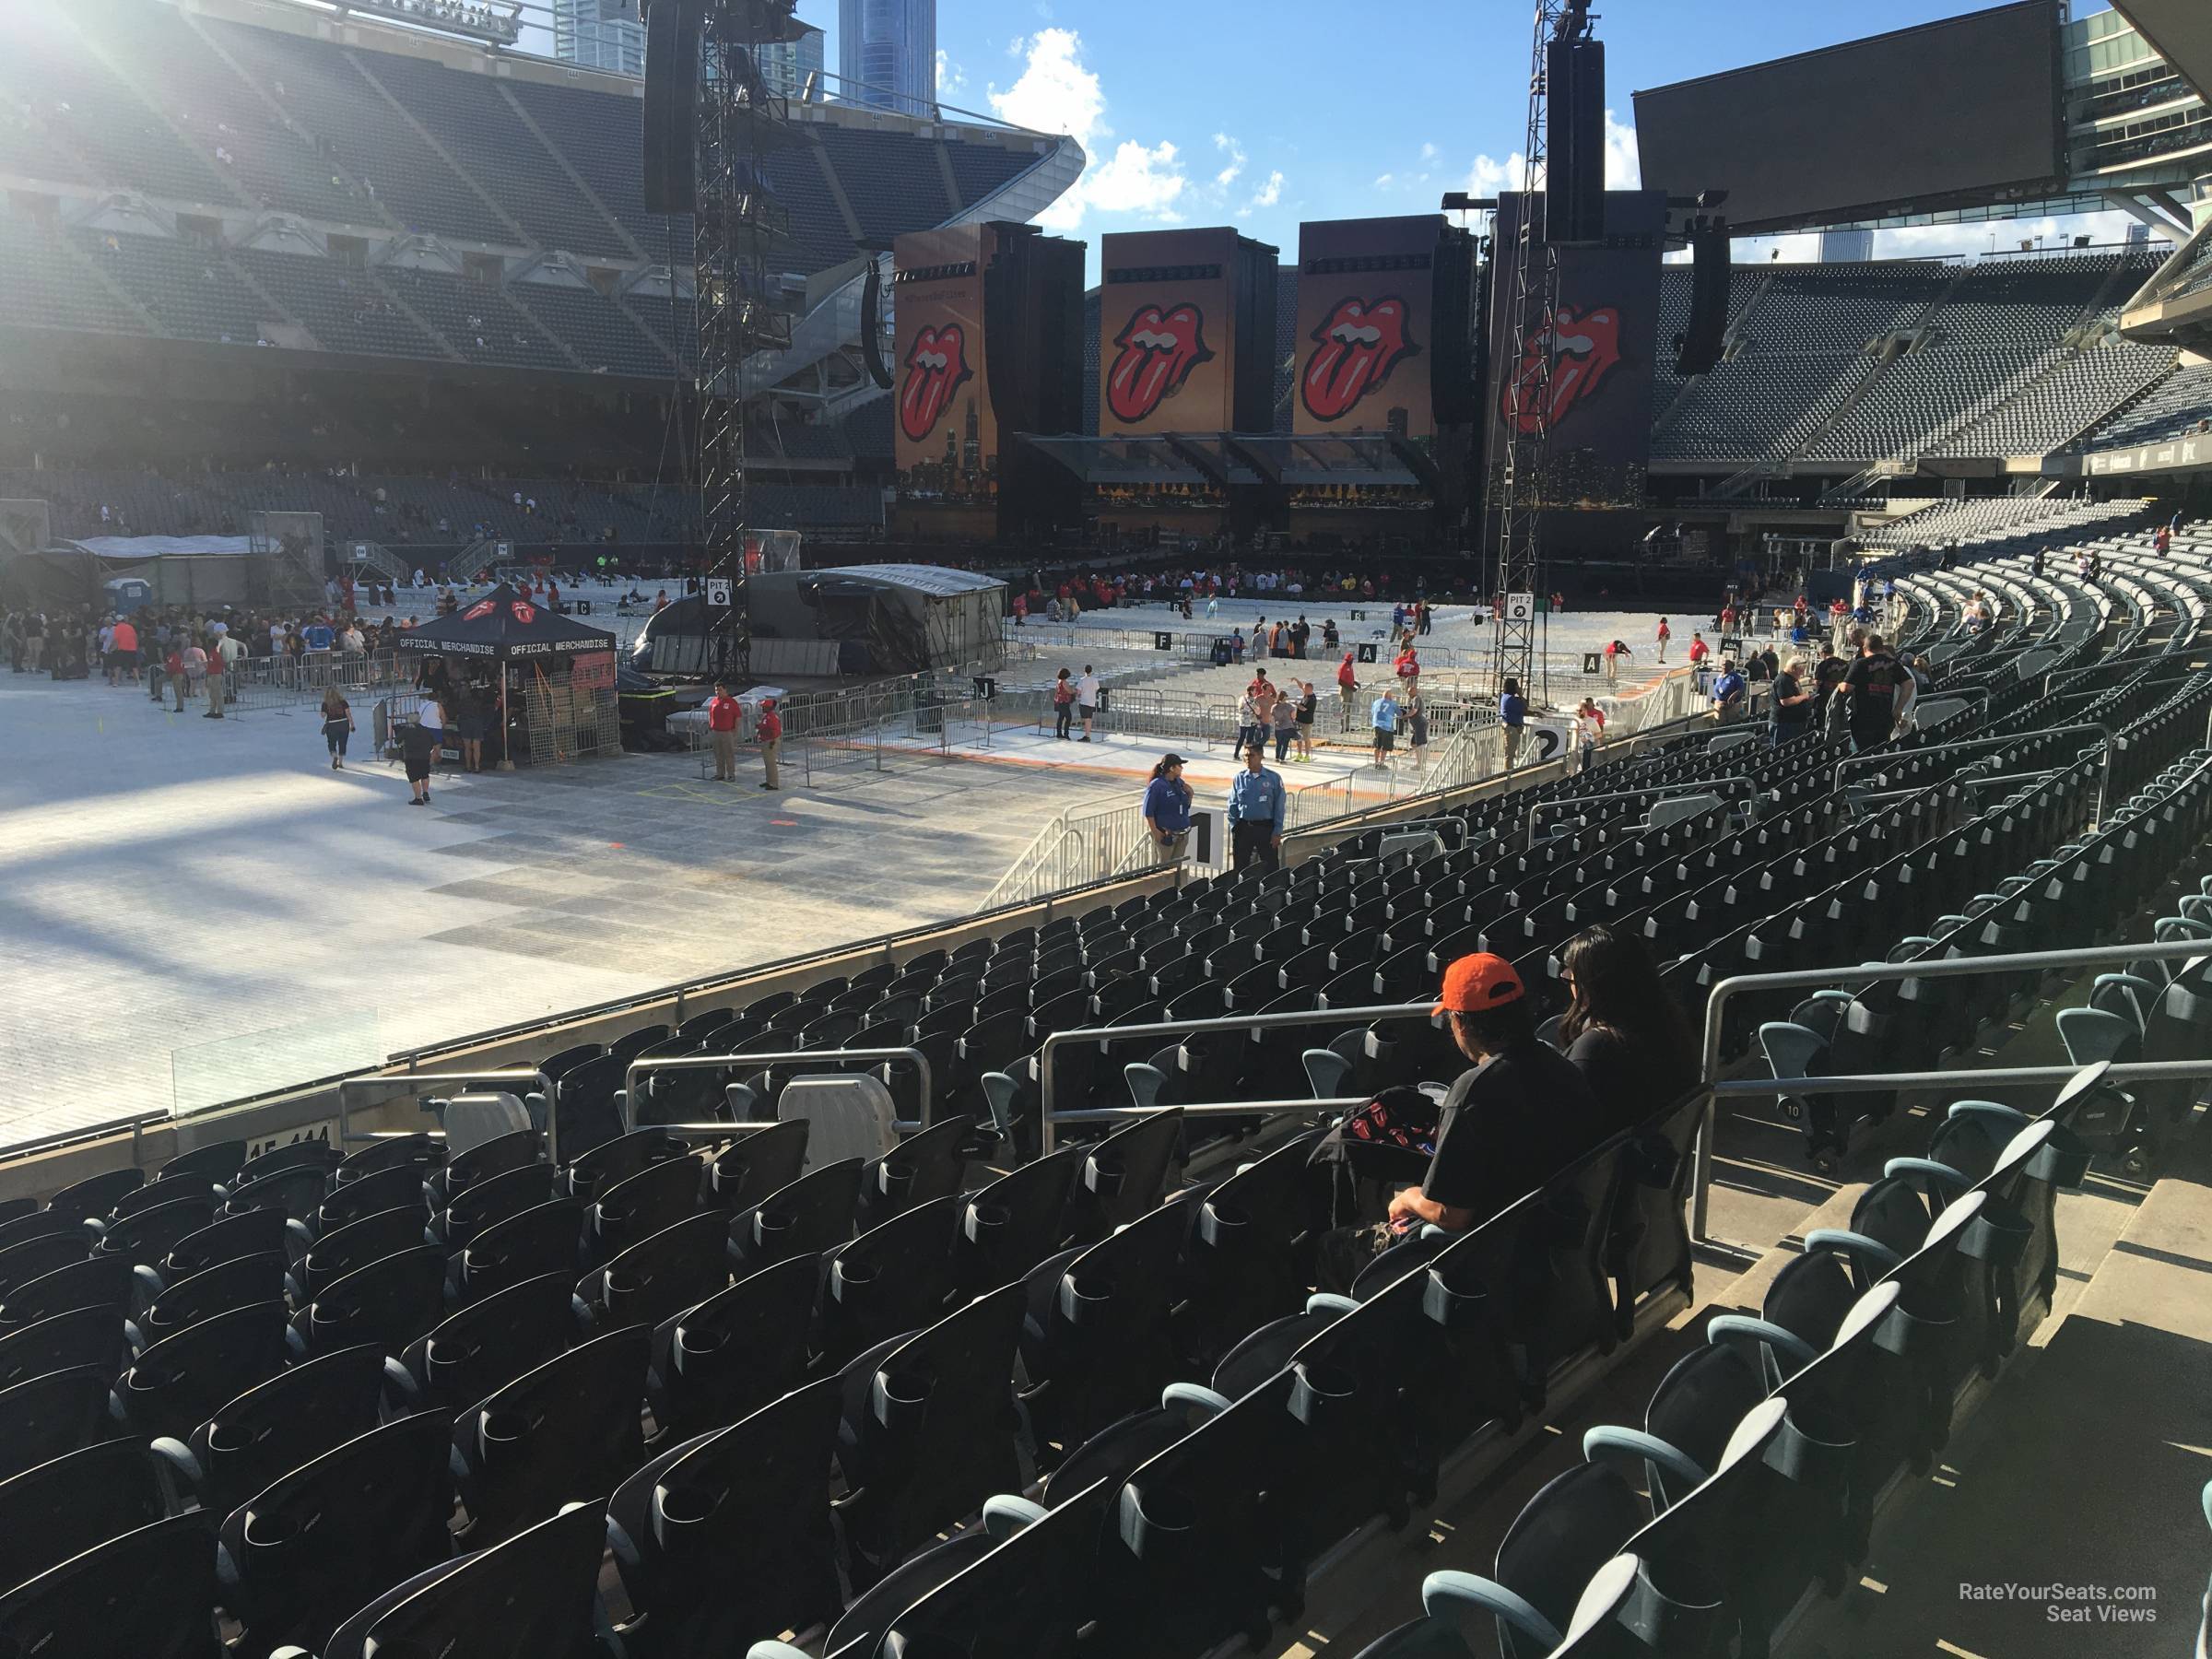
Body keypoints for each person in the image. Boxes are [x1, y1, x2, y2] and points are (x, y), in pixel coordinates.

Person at [1313, 953, 1605, 1290]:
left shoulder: (1473, 1090)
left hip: (1484, 1255)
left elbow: (1452, 1215)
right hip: (1547, 1239)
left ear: (1462, 1023)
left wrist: (1408, 1198)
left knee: (1332, 1246)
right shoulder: (1558, 1063)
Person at [1556, 926, 1698, 1136]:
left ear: (1590, 986)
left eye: (1572, 977)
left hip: (1611, 1166)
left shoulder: (1595, 1049)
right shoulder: (1669, 1029)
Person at [1841, 633, 1906, 754]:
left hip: (1862, 721)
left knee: (1861, 758)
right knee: (1879, 756)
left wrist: (1839, 685)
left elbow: (1846, 688)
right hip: (1885, 720)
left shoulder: (1860, 664)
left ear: (1865, 649)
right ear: (1882, 648)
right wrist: (1898, 708)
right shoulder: (1894, 664)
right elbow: (1909, 684)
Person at [1225, 742, 1287, 870]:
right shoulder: (1239, 778)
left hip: (1265, 828)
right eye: (1245, 755)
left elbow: (1279, 807)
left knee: (1270, 865)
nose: (1247, 759)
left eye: (1251, 755)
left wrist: (1277, 831)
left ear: (1260, 756)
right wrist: (1234, 827)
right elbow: (1233, 804)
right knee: (1240, 866)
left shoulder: (1273, 778)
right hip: (1244, 828)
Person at [1143, 753, 1194, 866]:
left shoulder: (1179, 782)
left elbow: (1185, 805)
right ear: (1171, 768)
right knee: (1164, 868)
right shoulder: (1156, 785)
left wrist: (1190, 794)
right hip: (1167, 835)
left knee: (1176, 868)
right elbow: (1148, 811)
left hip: (1182, 833)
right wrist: (1155, 831)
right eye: (1179, 765)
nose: (1182, 768)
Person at [1770, 655, 1813, 746]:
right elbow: (1786, 701)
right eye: (1801, 671)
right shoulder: (1783, 680)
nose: (1802, 674)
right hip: (1784, 723)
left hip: (1794, 722)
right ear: (1793, 668)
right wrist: (1804, 697)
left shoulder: (1792, 679)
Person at [400, 706, 438, 805]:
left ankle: (418, 798)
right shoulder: (426, 730)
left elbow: (397, 740)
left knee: (414, 777)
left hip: (411, 757)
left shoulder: (407, 730)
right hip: (424, 756)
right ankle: (425, 792)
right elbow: (433, 742)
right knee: (425, 775)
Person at [705, 681, 741, 782]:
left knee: (729, 754)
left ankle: (731, 774)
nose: (718, 692)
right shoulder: (713, 702)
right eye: (716, 690)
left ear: (725, 690)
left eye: (720, 690)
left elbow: (738, 717)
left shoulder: (731, 702)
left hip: (727, 732)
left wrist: (735, 730)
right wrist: (710, 726)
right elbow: (710, 715)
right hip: (716, 732)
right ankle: (720, 774)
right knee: (718, 754)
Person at [454, 679, 490, 774]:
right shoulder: (479, 701)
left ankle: (468, 766)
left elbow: (458, 711)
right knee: (476, 746)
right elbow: (484, 711)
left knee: (467, 747)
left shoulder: (462, 700)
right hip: (477, 723)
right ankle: (477, 767)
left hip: (466, 722)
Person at [320, 686, 354, 770]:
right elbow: (348, 714)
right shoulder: (343, 702)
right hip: (344, 723)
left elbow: (323, 715)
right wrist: (352, 725)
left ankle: (335, 756)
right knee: (342, 743)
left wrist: (324, 711)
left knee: (331, 742)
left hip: (332, 725)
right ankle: (340, 763)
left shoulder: (325, 703)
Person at [1499, 676, 1528, 769]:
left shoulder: (1507, 697)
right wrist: (1520, 694)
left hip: (1512, 728)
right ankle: (1507, 775)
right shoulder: (1510, 699)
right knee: (1509, 755)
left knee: (1510, 754)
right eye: (1517, 686)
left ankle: (1508, 772)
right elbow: (1525, 707)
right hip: (1511, 729)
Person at [1370, 685, 1400, 769]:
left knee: (1377, 745)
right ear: (1390, 697)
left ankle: (1376, 763)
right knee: (1385, 747)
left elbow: (1373, 712)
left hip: (1377, 725)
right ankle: (1382, 764)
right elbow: (1400, 714)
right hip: (1387, 727)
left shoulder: (1376, 702)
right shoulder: (1393, 704)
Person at [756, 696, 782, 790]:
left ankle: (774, 783)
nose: (762, 708)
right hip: (766, 741)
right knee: (768, 763)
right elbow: (765, 726)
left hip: (770, 742)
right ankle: (769, 781)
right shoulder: (767, 716)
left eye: (764, 706)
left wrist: (772, 742)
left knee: (771, 763)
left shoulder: (772, 717)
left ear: (769, 707)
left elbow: (775, 731)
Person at [201, 629, 226, 719]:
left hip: (216, 675)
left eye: (209, 644)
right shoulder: (211, 654)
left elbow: (222, 663)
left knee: (218, 694)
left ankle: (220, 712)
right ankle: (212, 711)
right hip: (211, 675)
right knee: (212, 695)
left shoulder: (216, 654)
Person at [1574, 696, 1604, 771]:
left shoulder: (1592, 721)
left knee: (1585, 768)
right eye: (1577, 710)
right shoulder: (1575, 720)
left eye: (1580, 710)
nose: (1578, 712)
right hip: (1575, 749)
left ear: (1585, 710)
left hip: (1586, 750)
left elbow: (1599, 734)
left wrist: (1589, 738)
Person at [1712, 659, 1747, 723]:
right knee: (1719, 725)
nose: (1724, 666)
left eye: (1727, 665)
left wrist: (1732, 696)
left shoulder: (1735, 677)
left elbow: (1741, 689)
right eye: (1723, 665)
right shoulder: (1719, 677)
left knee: (1732, 723)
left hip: (1732, 706)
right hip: (1720, 706)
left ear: (1731, 667)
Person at [1271, 688, 1298, 763]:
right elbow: (1293, 717)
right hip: (1288, 727)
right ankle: (1282, 759)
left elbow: (1272, 717)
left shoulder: (1274, 706)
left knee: (1278, 743)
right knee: (1285, 744)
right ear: (1285, 697)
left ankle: (1277, 758)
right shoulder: (1290, 706)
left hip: (1278, 728)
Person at [1076, 665, 1101, 742]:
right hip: (1092, 702)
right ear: (1091, 671)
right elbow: (1096, 689)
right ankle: (1088, 735)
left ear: (1084, 671)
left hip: (1084, 701)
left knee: (1086, 720)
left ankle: (1087, 736)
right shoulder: (1095, 680)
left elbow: (1079, 691)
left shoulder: (1082, 680)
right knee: (1089, 719)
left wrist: (1079, 694)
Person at [1295, 679, 1317, 762]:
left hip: (1306, 722)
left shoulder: (1312, 699)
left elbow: (1303, 709)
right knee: (1298, 738)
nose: (1303, 690)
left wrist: (1297, 704)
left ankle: (1307, 755)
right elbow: (1301, 686)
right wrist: (1296, 680)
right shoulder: (1306, 695)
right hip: (1299, 720)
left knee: (1306, 739)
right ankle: (1299, 754)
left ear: (1309, 689)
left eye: (1305, 689)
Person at [1052, 668, 1077, 740]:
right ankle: (1066, 734)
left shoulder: (1059, 681)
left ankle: (1059, 733)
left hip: (1059, 701)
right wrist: (1074, 690)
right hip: (1064, 702)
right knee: (1068, 717)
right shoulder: (1064, 682)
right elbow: (1069, 691)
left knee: (1061, 717)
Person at [1336, 652, 1358, 727]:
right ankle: (1342, 726)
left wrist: (1355, 683)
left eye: (1352, 659)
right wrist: (1351, 687)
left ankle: (1347, 726)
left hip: (1350, 689)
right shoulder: (1344, 666)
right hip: (1345, 689)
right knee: (1344, 708)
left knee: (1349, 708)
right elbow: (1340, 681)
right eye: (1351, 659)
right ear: (1347, 659)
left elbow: (1348, 679)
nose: (1352, 661)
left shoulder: (1350, 666)